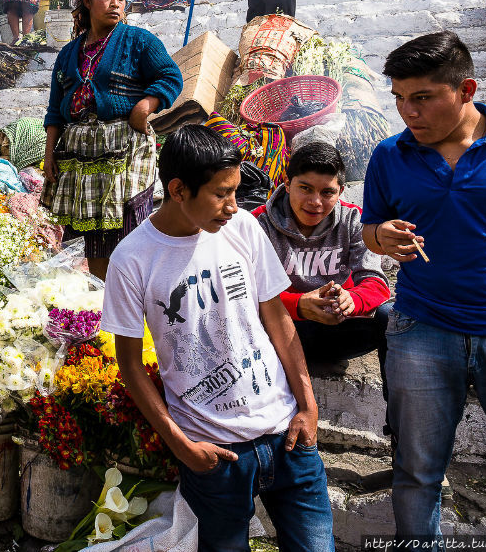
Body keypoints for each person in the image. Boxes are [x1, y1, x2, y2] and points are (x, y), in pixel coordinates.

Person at [103, 125, 333, 552]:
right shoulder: (132, 259)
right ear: (177, 189)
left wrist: (309, 406)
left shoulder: (243, 227)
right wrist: (182, 445)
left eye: (235, 192)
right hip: (216, 458)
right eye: (220, 194)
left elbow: (277, 318)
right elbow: (130, 365)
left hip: (289, 437)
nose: (232, 206)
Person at [359, 31, 486, 543]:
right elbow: (370, 227)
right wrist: (383, 237)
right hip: (422, 330)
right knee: (417, 476)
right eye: (399, 98)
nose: (407, 112)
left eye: (421, 98)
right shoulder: (389, 156)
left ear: (466, 89)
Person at [42, 0, 182, 279]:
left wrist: (145, 105)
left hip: (124, 150)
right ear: (88, 1)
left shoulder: (138, 41)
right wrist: (49, 155)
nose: (115, 3)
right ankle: (104, 305)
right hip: (78, 156)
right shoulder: (68, 54)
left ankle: (136, 300)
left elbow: (170, 76)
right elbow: (54, 109)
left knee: (126, 232)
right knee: (93, 242)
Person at [251, 142, 390, 370]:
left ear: (340, 192)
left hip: (336, 326)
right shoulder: (258, 224)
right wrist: (298, 305)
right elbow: (243, 295)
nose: (315, 202)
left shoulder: (353, 220)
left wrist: (351, 300)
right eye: (305, 188)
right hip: (277, 332)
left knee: (389, 317)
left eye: (327, 192)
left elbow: (377, 284)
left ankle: (395, 405)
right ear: (287, 184)